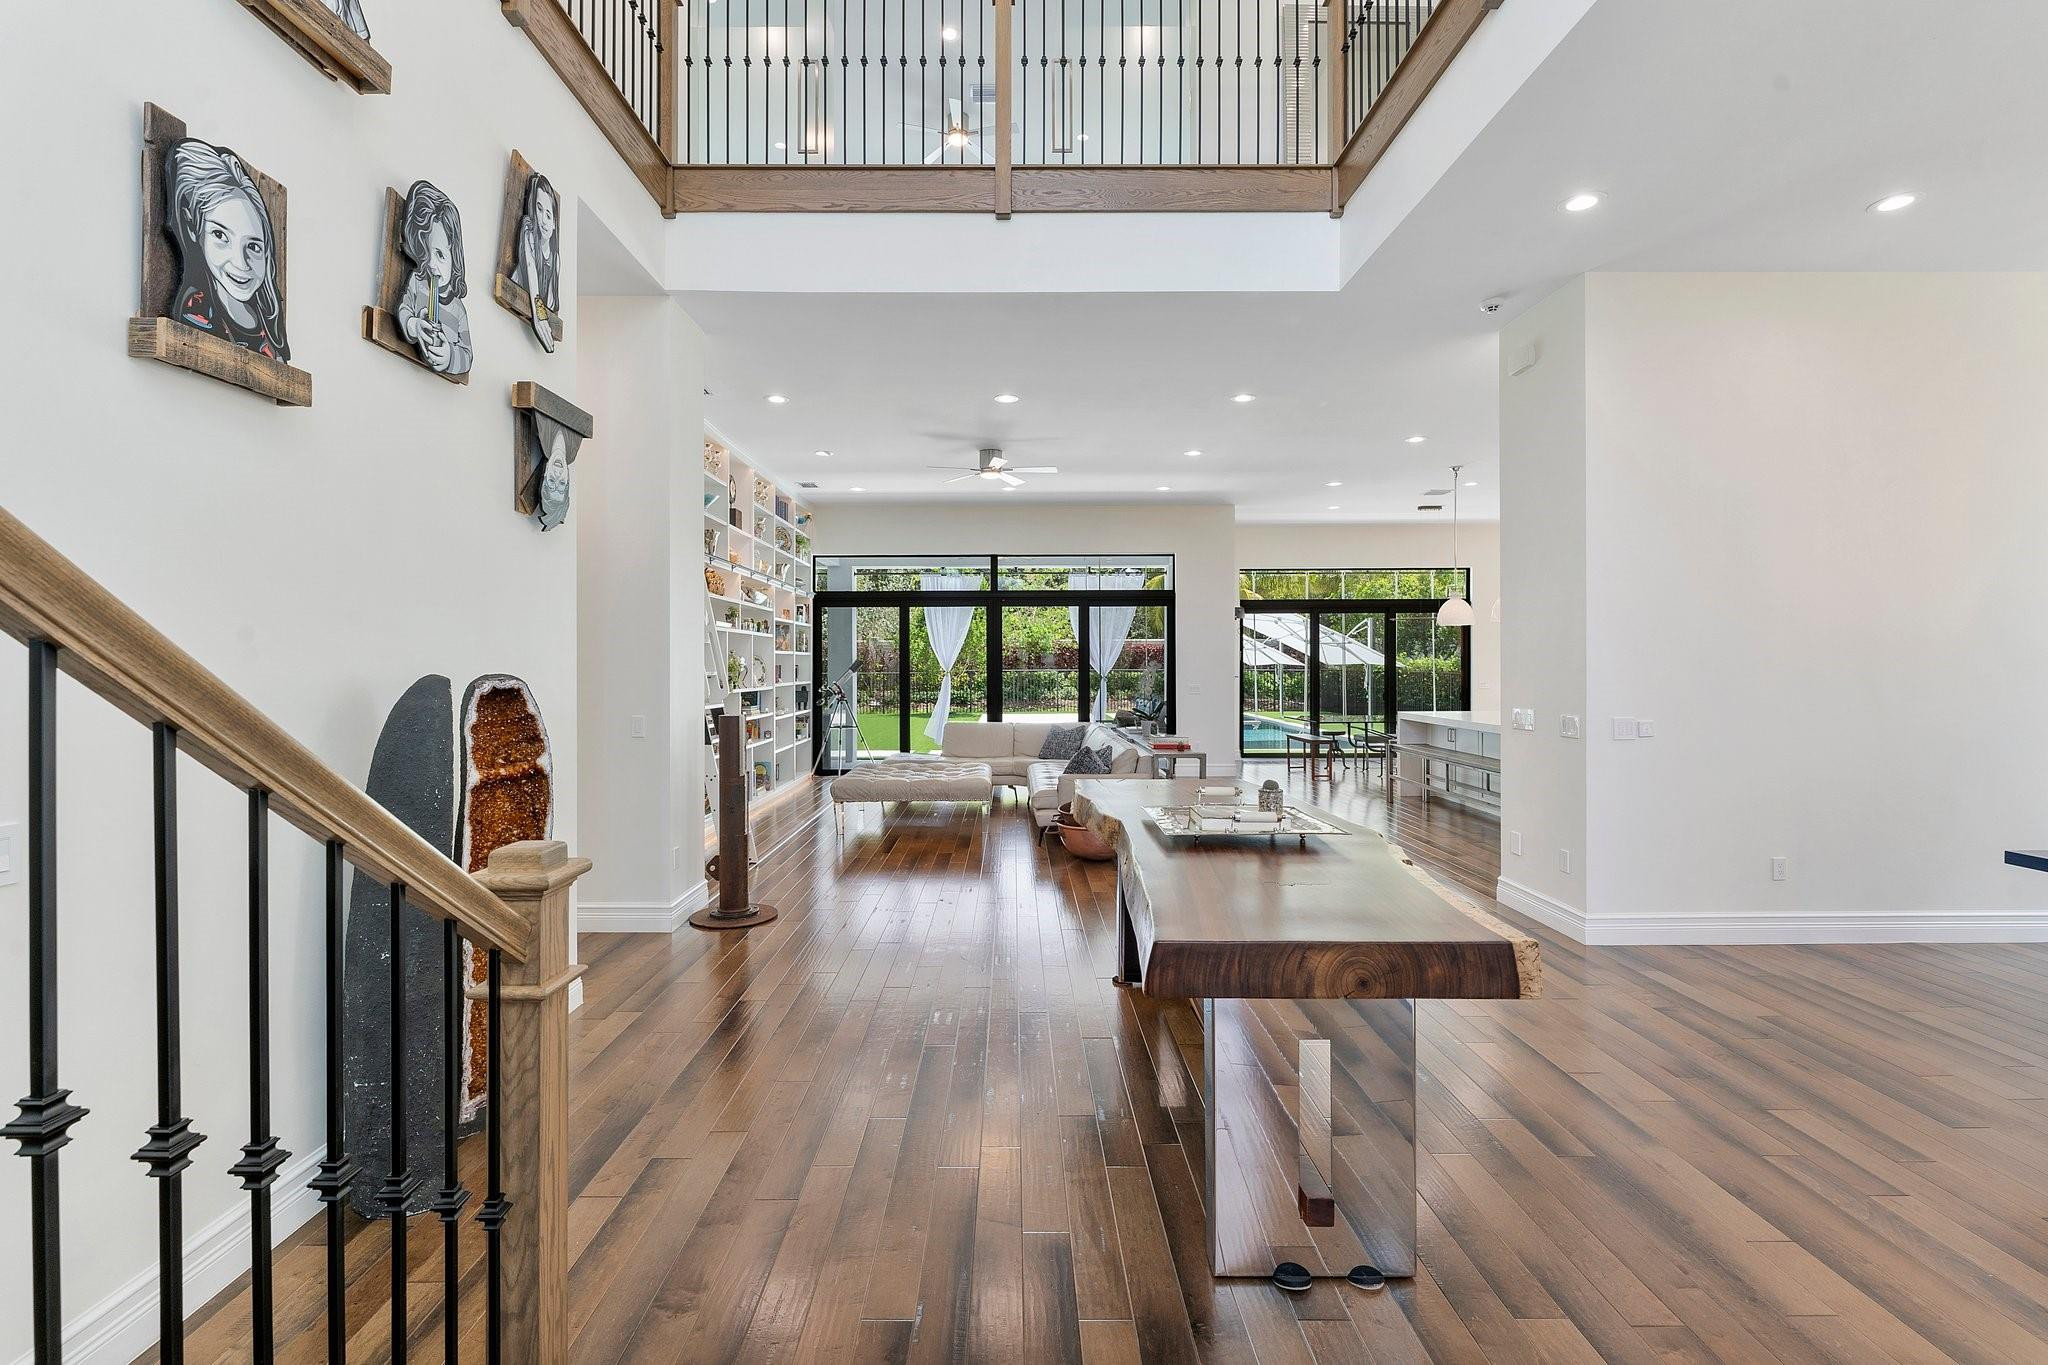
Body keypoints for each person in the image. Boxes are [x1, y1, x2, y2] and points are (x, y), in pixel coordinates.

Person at [164, 138, 290, 362]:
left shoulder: (267, 322)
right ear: (195, 230)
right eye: (221, 236)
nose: (240, 263)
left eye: (253, 246)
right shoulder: (197, 312)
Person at [395, 181, 473, 376]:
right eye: (427, 252)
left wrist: (449, 357)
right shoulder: (417, 281)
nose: (431, 263)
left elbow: (467, 354)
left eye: (440, 255)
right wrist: (414, 325)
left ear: (455, 258)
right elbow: (404, 309)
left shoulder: (458, 310)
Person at [515, 173, 561, 353]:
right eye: (539, 209)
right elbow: (533, 283)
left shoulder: (555, 258)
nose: (543, 220)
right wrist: (540, 316)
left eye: (548, 215)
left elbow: (550, 301)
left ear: (554, 224)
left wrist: (544, 317)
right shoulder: (528, 231)